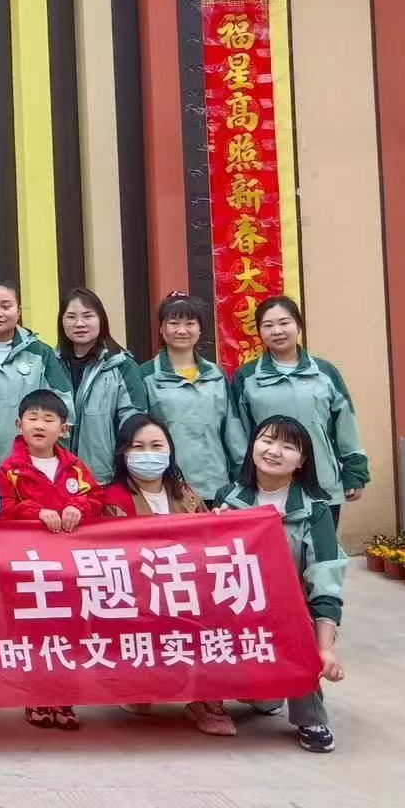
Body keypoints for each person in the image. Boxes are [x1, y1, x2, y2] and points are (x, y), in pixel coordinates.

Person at [213, 415, 347, 753]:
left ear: (302, 461)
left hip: (290, 610)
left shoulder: (316, 510)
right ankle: (257, 693)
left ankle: (310, 717)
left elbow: (326, 578)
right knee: (260, 697)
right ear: (252, 445)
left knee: (297, 631)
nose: (274, 451)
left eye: (288, 446)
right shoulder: (228, 498)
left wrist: (325, 648)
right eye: (267, 440)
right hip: (239, 605)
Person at [99, 413, 234, 737]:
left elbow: (208, 542)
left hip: (189, 590)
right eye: (138, 446)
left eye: (156, 445)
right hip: (139, 594)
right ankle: (141, 685)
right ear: (123, 453)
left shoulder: (185, 493)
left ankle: (206, 699)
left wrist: (219, 521)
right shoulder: (113, 497)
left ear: (170, 450)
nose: (148, 453)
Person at [0, 389, 103, 732]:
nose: (39, 425)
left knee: (69, 632)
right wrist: (36, 512)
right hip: (29, 570)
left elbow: (96, 498)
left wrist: (77, 506)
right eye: (32, 418)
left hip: (70, 570)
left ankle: (64, 698)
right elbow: (2, 508)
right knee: (34, 634)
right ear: (19, 424)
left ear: (64, 429)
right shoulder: (9, 470)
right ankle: (37, 697)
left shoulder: (75, 467)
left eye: (48, 419)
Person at [231, 295, 368, 528]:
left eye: (284, 323)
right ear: (259, 332)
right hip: (267, 486)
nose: (277, 331)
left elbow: (345, 423)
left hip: (322, 481)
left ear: (299, 326)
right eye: (268, 325)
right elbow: (237, 433)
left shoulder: (325, 372)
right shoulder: (246, 376)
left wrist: (355, 472)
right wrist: (242, 478)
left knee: (321, 547)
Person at [139, 292, 247, 501]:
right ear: (161, 328)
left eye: (190, 323)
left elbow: (233, 433)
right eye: (173, 323)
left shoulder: (217, 374)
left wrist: (242, 480)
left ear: (200, 329)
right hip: (166, 488)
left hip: (215, 486)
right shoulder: (145, 375)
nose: (182, 330)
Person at [0, 280, 71, 469]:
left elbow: (63, 406)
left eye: (6, 306)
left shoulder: (41, 353)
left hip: (36, 464)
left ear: (19, 311)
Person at [57, 286, 148, 484]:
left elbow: (134, 422)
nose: (79, 323)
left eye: (88, 316)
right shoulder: (52, 364)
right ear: (61, 322)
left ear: (101, 320)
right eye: (71, 317)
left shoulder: (122, 366)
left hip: (106, 479)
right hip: (58, 479)